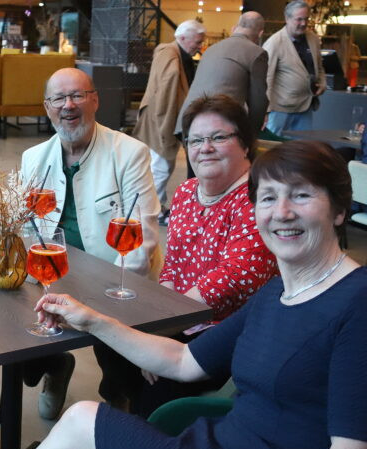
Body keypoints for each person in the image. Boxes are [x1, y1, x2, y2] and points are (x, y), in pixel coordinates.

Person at [0, 139, 367, 449]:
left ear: (339, 210)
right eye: (268, 198)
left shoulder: (357, 302)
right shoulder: (278, 292)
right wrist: (92, 320)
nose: (282, 212)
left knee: (81, 420)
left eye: (302, 195)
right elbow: (184, 362)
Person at [97, 94, 278, 416]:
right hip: (181, 316)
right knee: (106, 331)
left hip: (229, 329)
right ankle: (126, 409)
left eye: (218, 137)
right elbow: (172, 267)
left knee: (159, 385)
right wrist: (153, 329)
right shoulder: (186, 192)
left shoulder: (258, 197)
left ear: (245, 144)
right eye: (195, 140)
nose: (205, 147)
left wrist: (159, 335)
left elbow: (233, 279)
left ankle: (145, 428)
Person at [19, 67, 163, 421]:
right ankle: (55, 366)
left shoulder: (129, 153)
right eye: (58, 98)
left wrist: (104, 305)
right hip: (52, 274)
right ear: (47, 107)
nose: (68, 105)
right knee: (9, 322)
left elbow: (141, 240)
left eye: (77, 95)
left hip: (113, 278)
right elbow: (26, 229)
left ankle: (119, 404)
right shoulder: (33, 158)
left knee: (117, 349)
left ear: (95, 100)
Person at [133, 19, 205, 219]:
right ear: (182, 38)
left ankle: (153, 206)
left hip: (161, 119)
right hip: (161, 120)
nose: (200, 46)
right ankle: (152, 211)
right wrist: (165, 129)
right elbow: (165, 97)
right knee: (161, 167)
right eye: (197, 42)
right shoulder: (171, 57)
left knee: (158, 166)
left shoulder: (171, 53)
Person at [177, 12, 268, 142]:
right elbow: (258, 101)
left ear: (235, 27)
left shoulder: (211, 49)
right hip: (215, 127)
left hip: (187, 122)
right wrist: (252, 136)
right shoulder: (256, 52)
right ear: (260, 33)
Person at [263, 0, 326, 136]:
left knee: (302, 147)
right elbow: (266, 78)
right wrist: (265, 110)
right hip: (280, 110)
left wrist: (322, 82)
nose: (303, 23)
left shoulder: (313, 39)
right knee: (273, 145)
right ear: (287, 18)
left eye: (306, 19)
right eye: (299, 19)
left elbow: (319, 67)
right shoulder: (274, 43)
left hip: (306, 106)